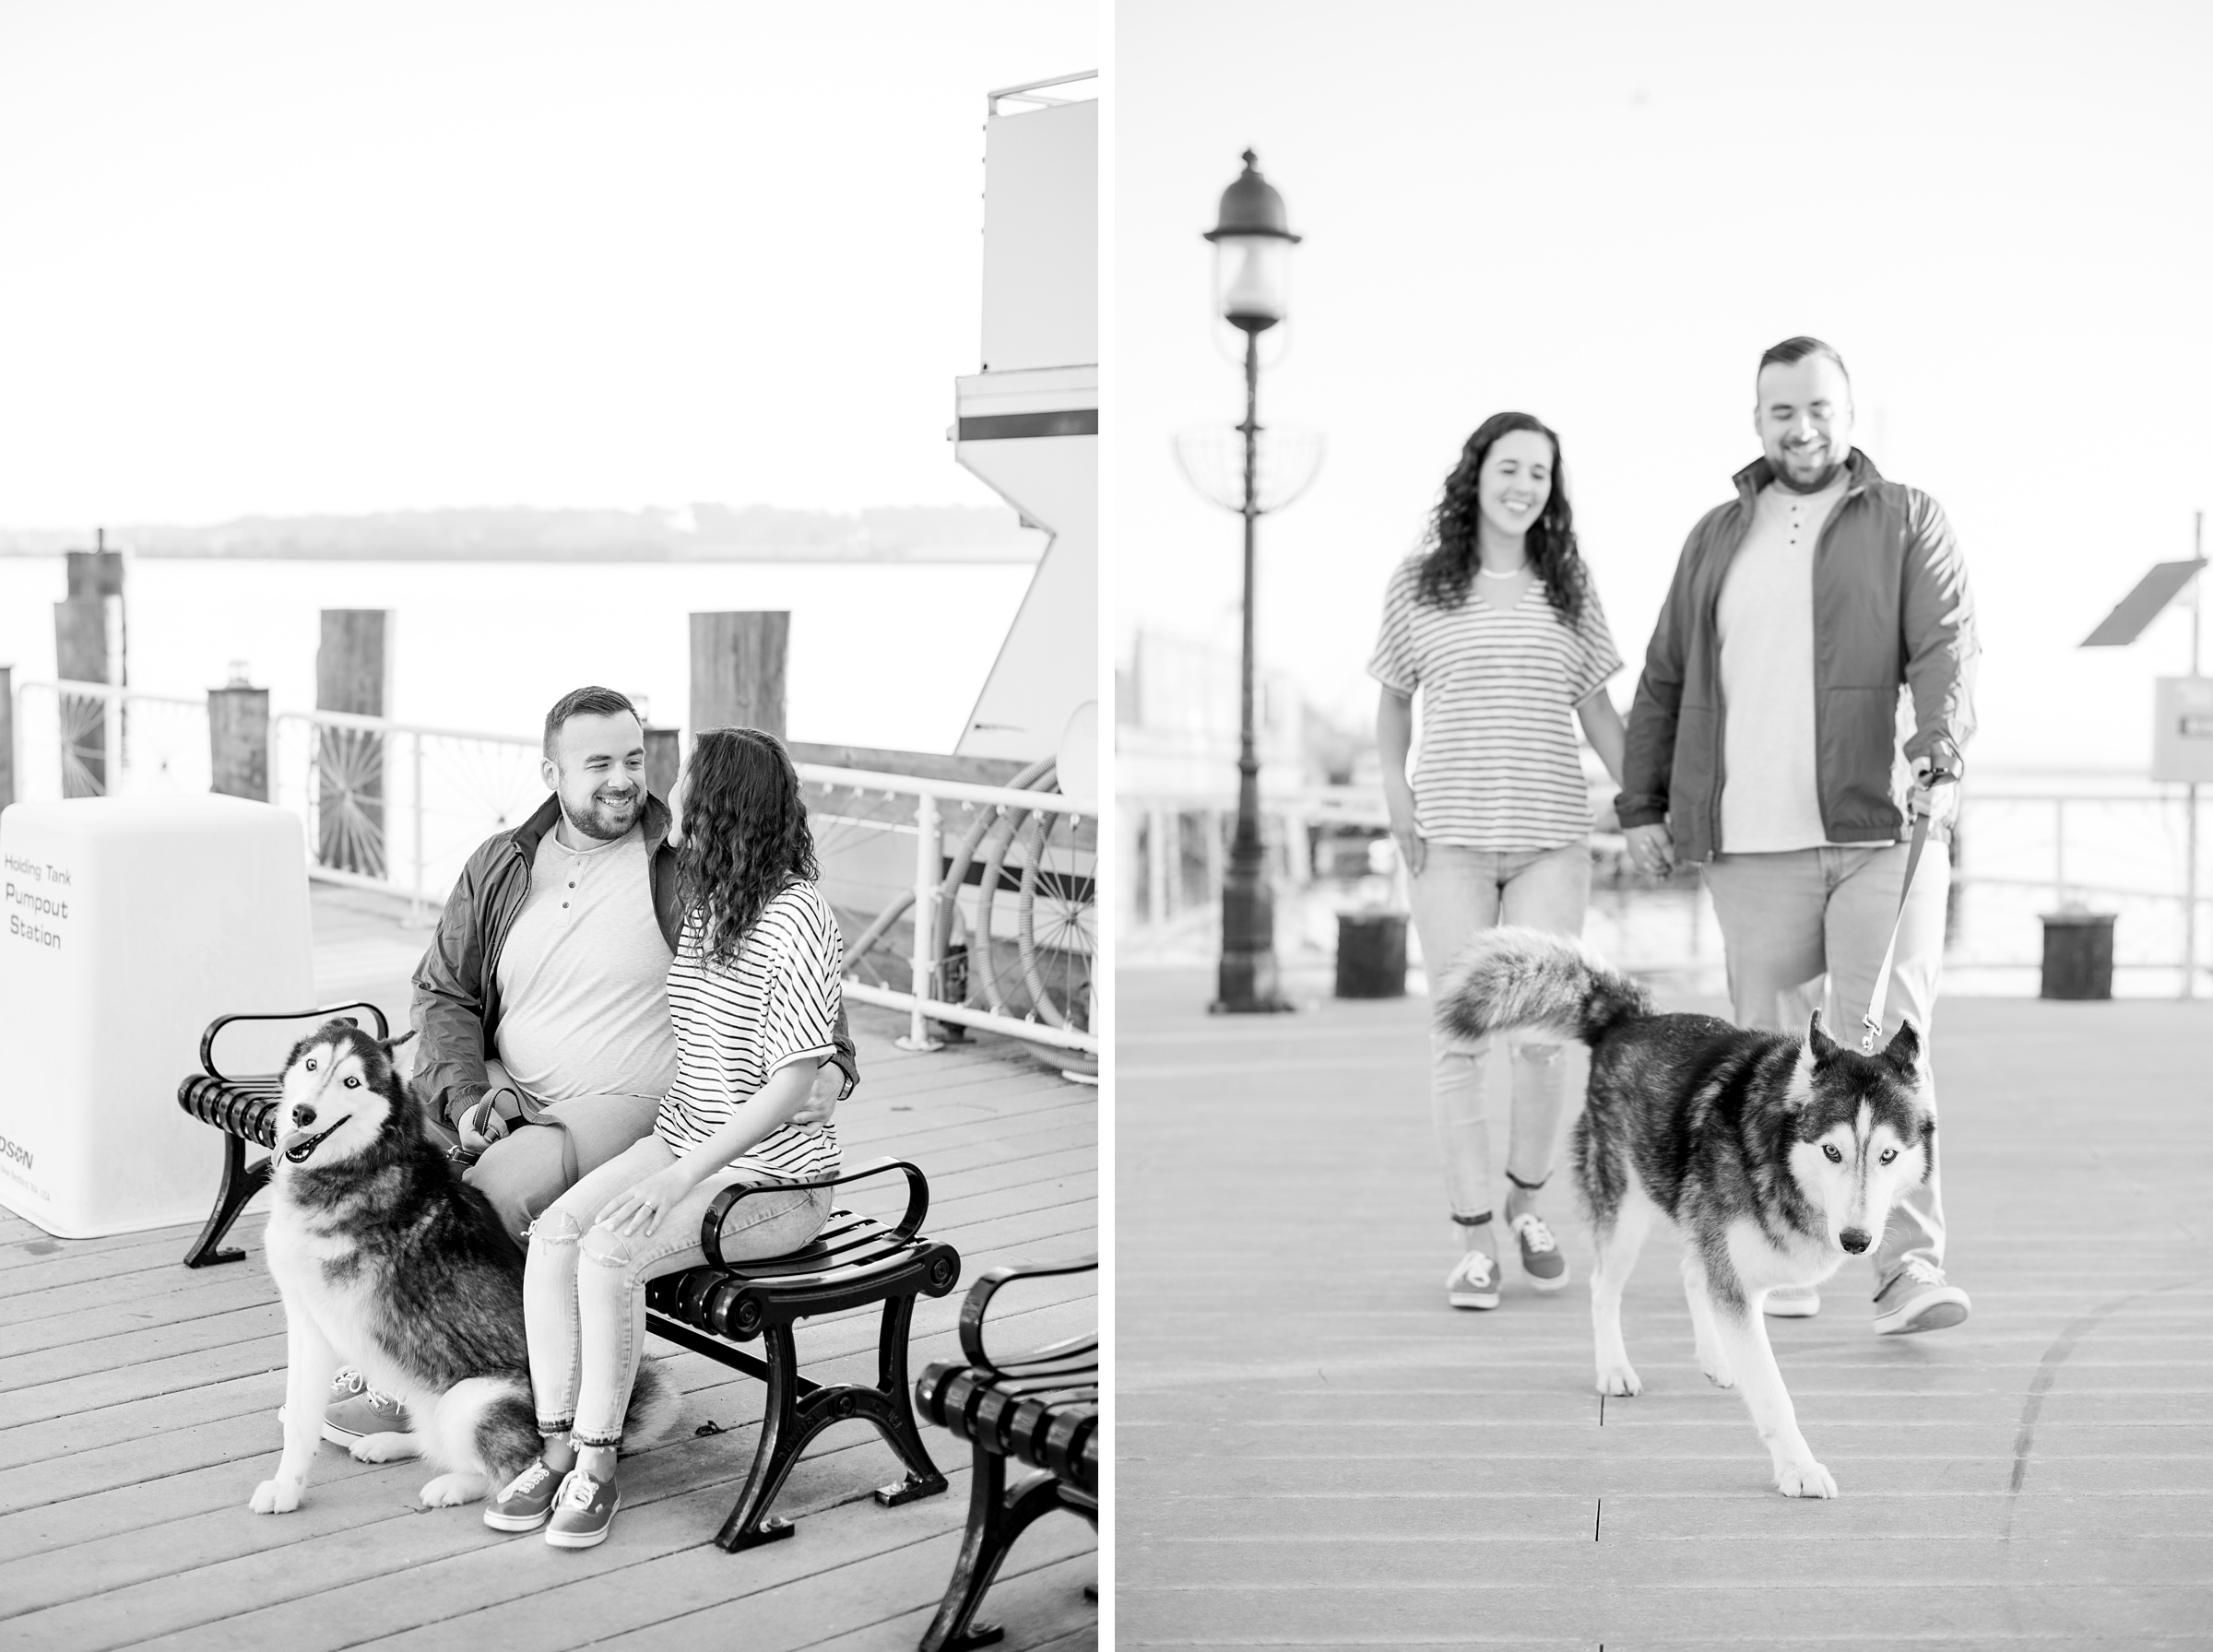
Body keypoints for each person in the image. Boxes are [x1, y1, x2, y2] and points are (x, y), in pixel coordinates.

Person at [317, 685, 855, 1445]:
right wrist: (470, 1097)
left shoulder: (688, 862)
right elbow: (442, 993)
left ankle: (451, 1392)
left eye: (635, 759)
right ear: (552, 774)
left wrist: (835, 1066)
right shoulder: (503, 863)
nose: (622, 779)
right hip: (508, 1091)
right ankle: (420, 1361)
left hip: (628, 1101)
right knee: (386, 1179)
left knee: (488, 1198)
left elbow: (799, 973)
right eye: (597, 762)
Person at [1617, 336, 1978, 1335]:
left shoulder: (1907, 518)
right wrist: (1642, 805)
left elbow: (1947, 644)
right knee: (1787, 1067)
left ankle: (1909, 1268)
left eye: (1819, 407)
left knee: (1888, 1050)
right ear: (1757, 421)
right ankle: (1781, 1248)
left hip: (1883, 833)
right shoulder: (1715, 536)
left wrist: (1939, 755)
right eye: (1781, 410)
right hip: (1751, 842)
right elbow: (1663, 676)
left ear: (1849, 413)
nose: (1802, 426)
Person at [486, 725, 844, 1548]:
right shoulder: (709, 903)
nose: (666, 796)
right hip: (686, 1140)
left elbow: (792, 1084)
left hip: (773, 1184)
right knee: (558, 1235)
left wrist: (678, 1180)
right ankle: (550, 1446)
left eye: (683, 785)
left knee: (613, 1252)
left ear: (718, 805)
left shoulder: (795, 917)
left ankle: (597, 1466)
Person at [1371, 411, 1627, 1313]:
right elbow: (1393, 705)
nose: (1524, 486)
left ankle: (1527, 1203)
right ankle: (1475, 1238)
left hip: (1552, 835)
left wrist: (1647, 805)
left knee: (1546, 1044)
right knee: (1459, 1045)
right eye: (1510, 467)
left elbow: (1599, 711)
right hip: (1448, 840)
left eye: (1541, 474)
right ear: (1476, 474)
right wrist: (1396, 797)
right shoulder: (1420, 584)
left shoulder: (1569, 585)